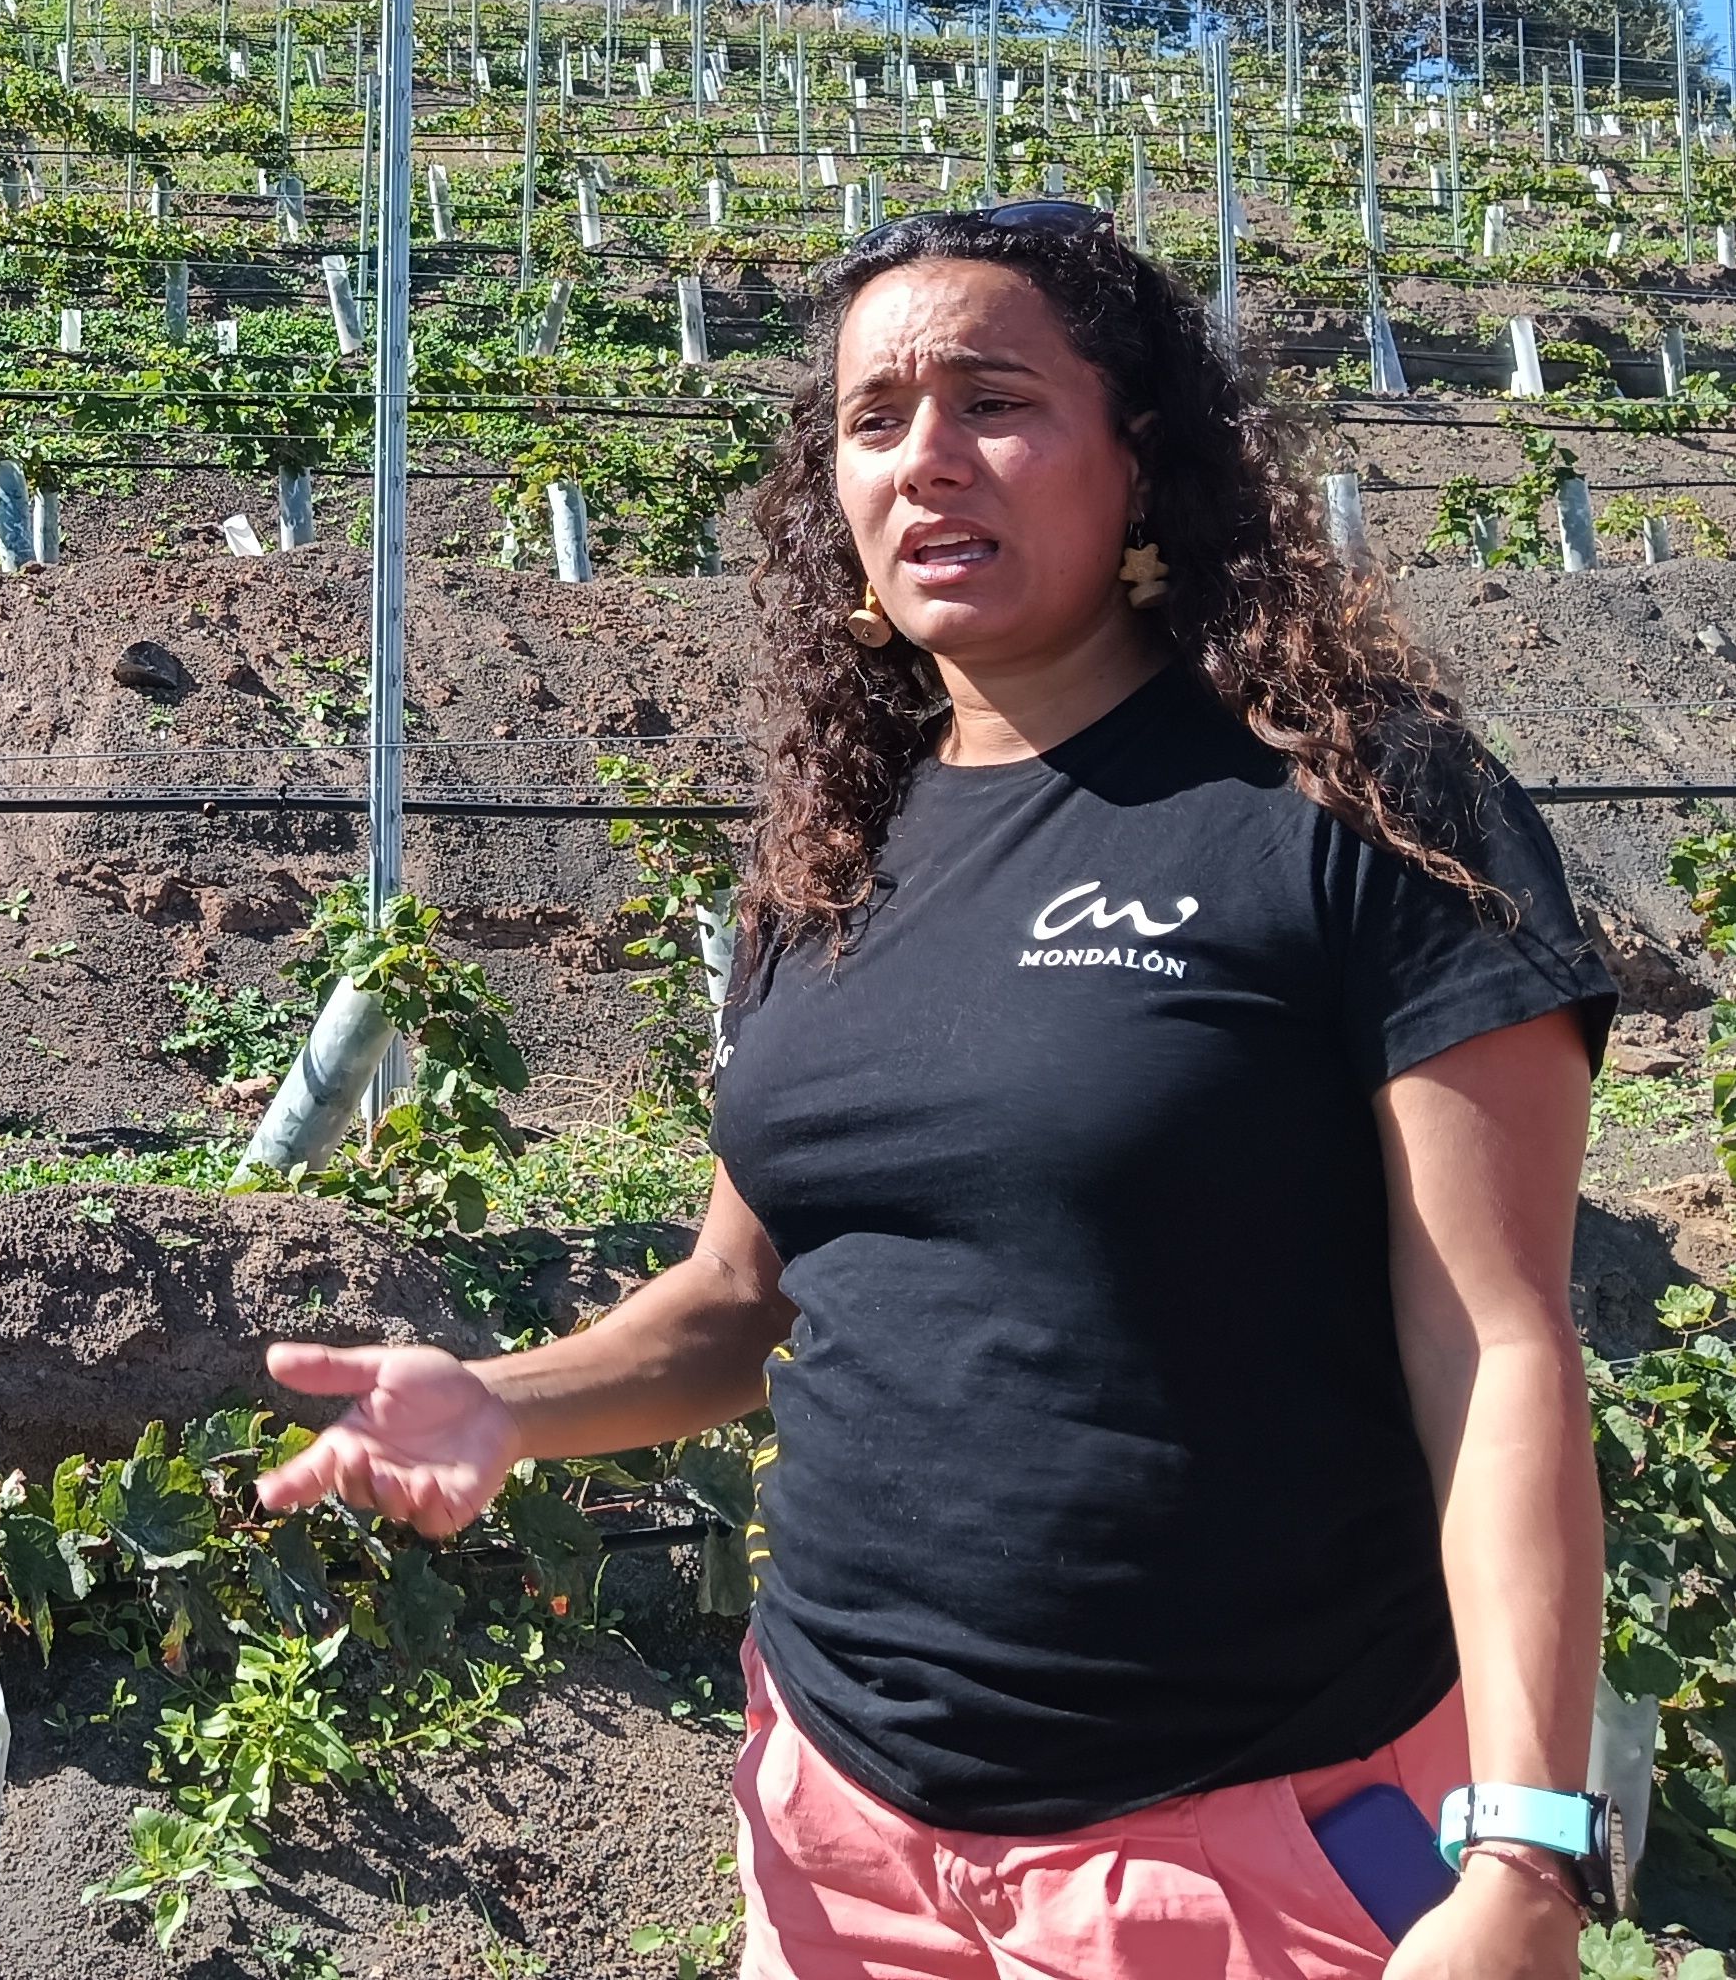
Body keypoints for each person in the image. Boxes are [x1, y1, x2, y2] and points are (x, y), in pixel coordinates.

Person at [260, 203, 1614, 1980]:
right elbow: (742, 1304)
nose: (925, 462)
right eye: (872, 420)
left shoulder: (1352, 804)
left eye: (995, 402)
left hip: (1226, 1855)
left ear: (1143, 457)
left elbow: (1496, 1342)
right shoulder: (829, 856)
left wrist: (1521, 1850)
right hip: (839, 1836)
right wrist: (508, 1403)